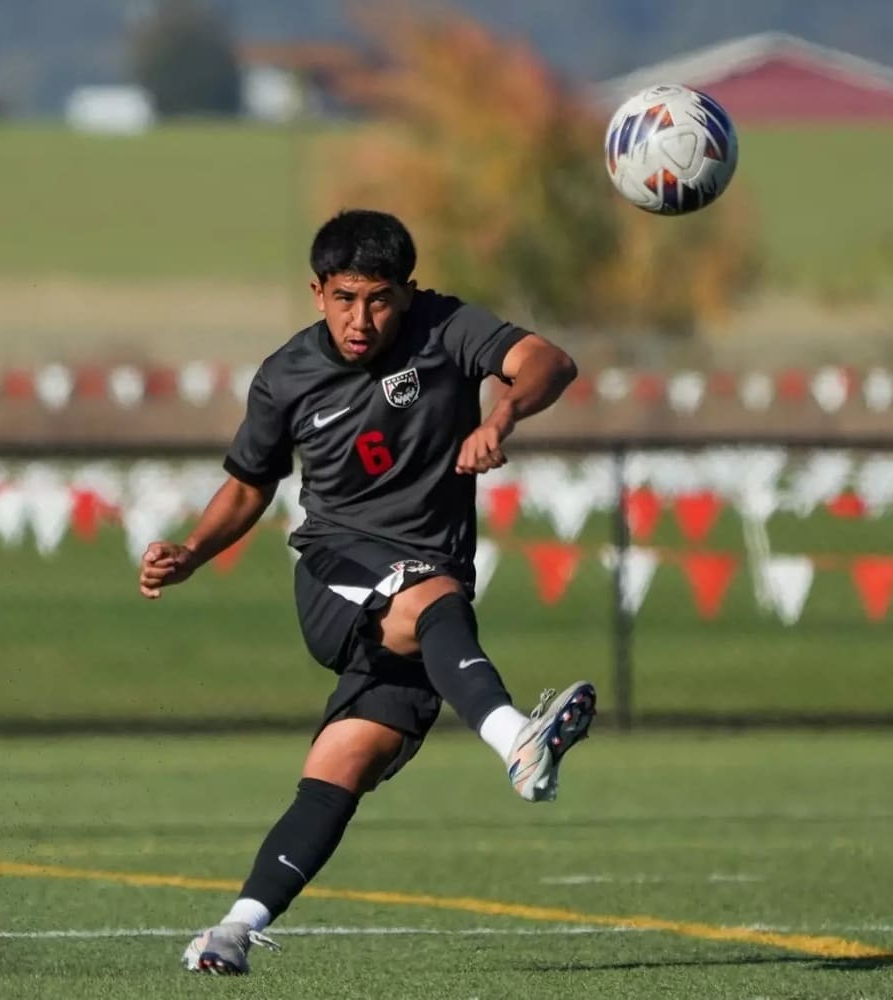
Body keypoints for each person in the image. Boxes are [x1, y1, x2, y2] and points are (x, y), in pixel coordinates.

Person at [139, 209, 596, 976]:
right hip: (336, 571)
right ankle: (517, 740)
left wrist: (504, 414)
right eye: (345, 298)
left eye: (380, 299)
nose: (361, 319)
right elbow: (248, 488)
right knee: (433, 594)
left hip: (426, 614)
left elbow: (549, 361)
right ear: (317, 292)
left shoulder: (445, 327)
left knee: (340, 769)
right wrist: (190, 553)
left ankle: (232, 930)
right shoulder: (286, 376)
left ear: (407, 293)